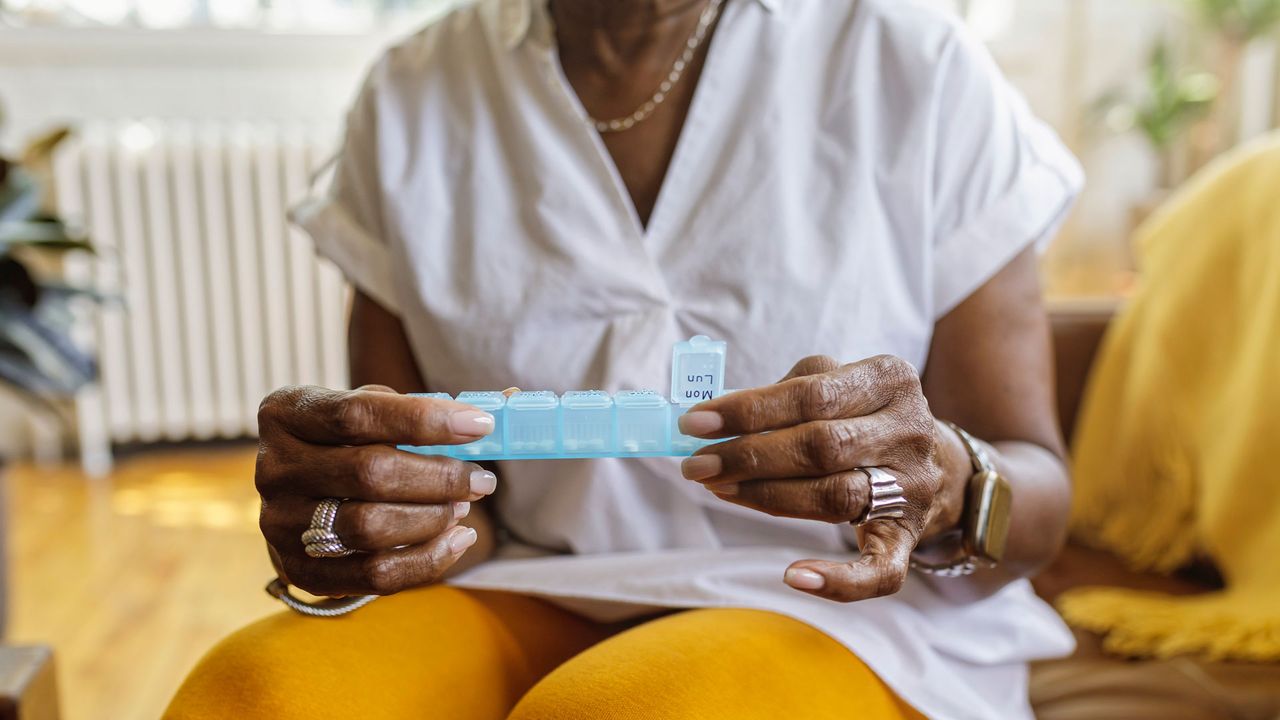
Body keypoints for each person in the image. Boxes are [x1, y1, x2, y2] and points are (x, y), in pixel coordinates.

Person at [167, 0, 1083, 717]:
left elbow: (1038, 488)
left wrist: (947, 478)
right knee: (252, 696)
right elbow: (447, 501)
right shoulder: (413, 94)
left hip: (845, 615)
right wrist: (361, 514)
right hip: (527, 586)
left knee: (630, 708)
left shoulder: (913, 66)